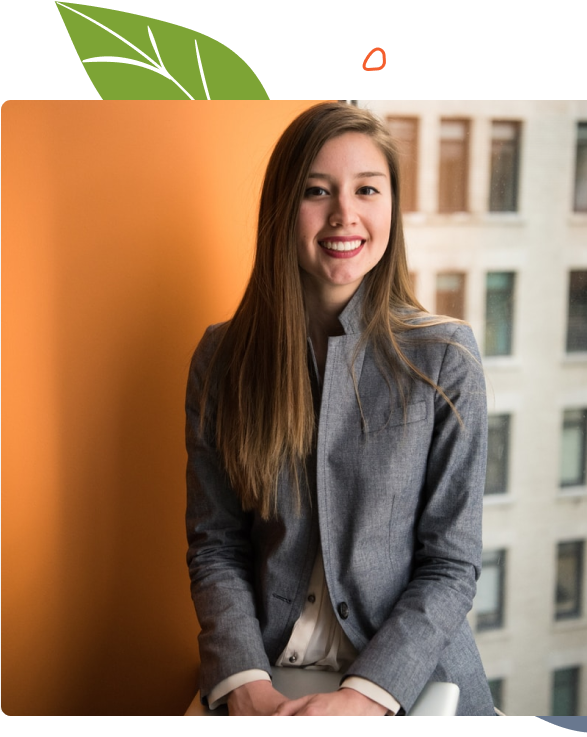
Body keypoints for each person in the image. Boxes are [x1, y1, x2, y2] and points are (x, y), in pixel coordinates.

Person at [185, 102, 496, 716]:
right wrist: (243, 682)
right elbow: (216, 545)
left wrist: (362, 699)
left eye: (367, 190)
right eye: (317, 190)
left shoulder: (446, 357)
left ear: (391, 208)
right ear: (282, 208)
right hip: (264, 671)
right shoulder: (222, 357)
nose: (344, 215)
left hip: (412, 683)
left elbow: (451, 565)